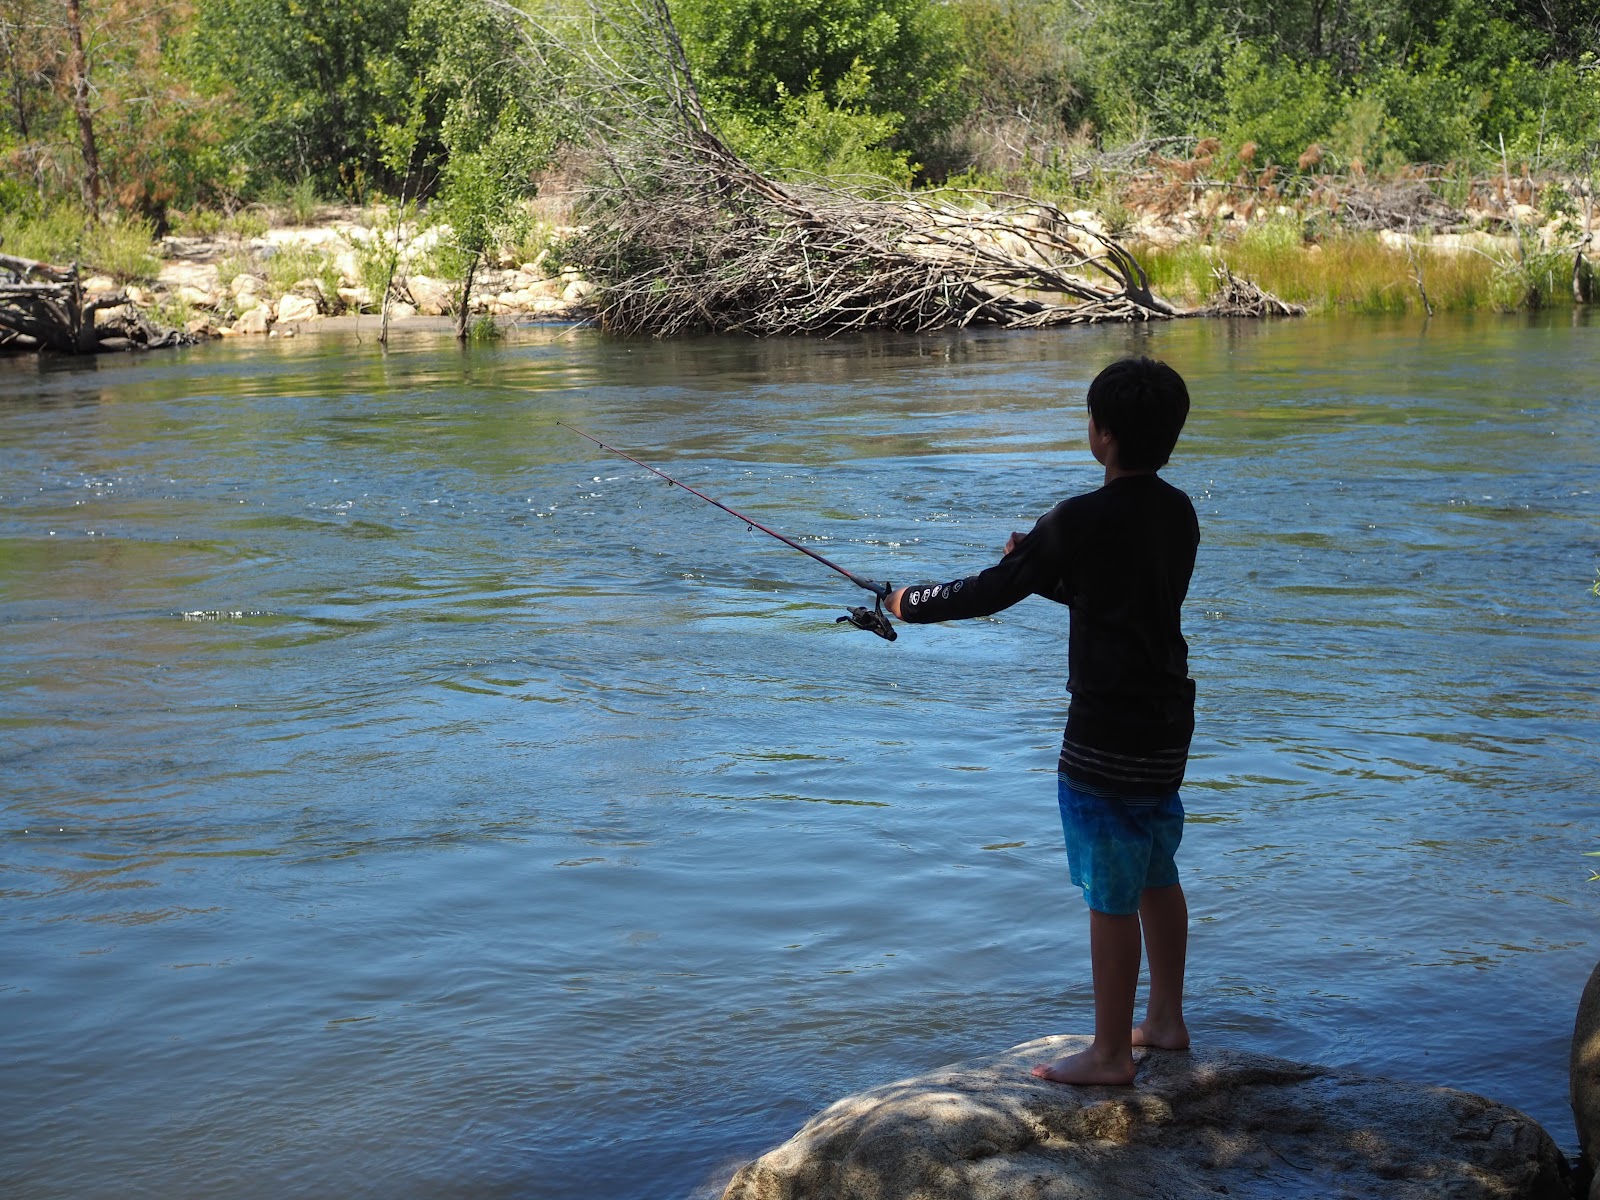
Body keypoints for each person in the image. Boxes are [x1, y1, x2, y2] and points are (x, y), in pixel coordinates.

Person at [886, 356, 1198, 1086]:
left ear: (1102, 433)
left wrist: (907, 603)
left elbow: (993, 592)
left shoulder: (1077, 518)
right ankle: (1166, 1022)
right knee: (1156, 867)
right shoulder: (1179, 510)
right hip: (1166, 725)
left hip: (1103, 728)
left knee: (1109, 891)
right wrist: (1052, 574)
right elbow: (1120, 599)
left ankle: (1112, 1054)